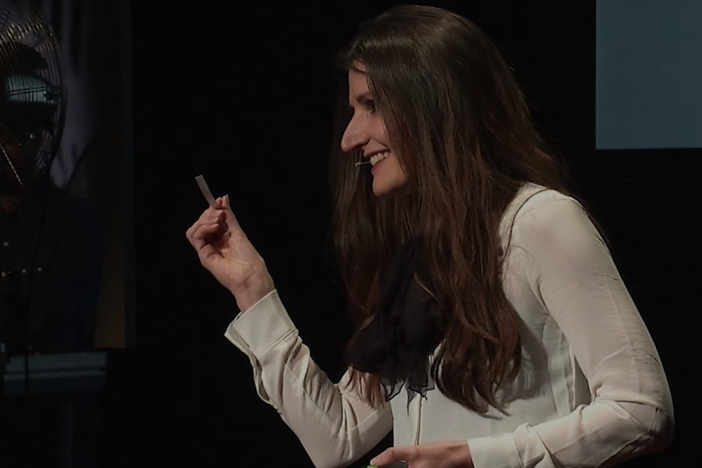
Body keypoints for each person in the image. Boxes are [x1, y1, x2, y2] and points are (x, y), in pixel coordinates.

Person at [185, 5, 674, 468]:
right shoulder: (412, 259)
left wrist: (479, 458)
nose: (350, 137)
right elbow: (335, 437)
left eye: (371, 105)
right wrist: (253, 288)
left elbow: (642, 409)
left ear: (434, 105)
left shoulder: (540, 222)